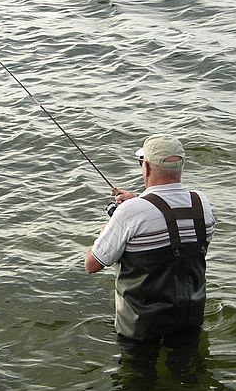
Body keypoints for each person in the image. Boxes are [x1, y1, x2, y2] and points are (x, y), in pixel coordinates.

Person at [84, 134, 215, 342]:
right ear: (180, 166)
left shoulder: (130, 212)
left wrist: (107, 229)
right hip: (189, 319)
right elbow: (174, 229)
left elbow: (92, 265)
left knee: (138, 374)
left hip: (142, 329)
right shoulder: (202, 204)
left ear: (146, 168)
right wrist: (137, 202)